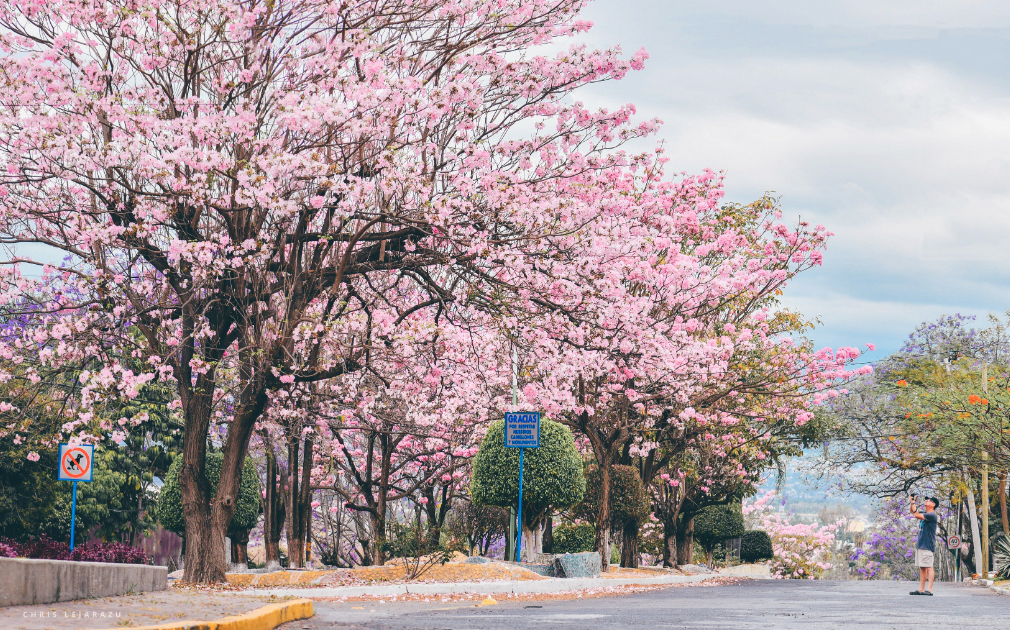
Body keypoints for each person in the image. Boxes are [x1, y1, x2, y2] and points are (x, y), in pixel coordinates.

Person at [909, 496, 939, 596]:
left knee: (929, 567)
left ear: (933, 504)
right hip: (921, 544)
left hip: (928, 545)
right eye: (926, 500)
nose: (926, 501)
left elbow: (916, 514)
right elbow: (913, 512)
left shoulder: (932, 515)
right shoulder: (925, 513)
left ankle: (929, 589)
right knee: (922, 567)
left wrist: (913, 503)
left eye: (929, 500)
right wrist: (912, 501)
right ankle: (921, 589)